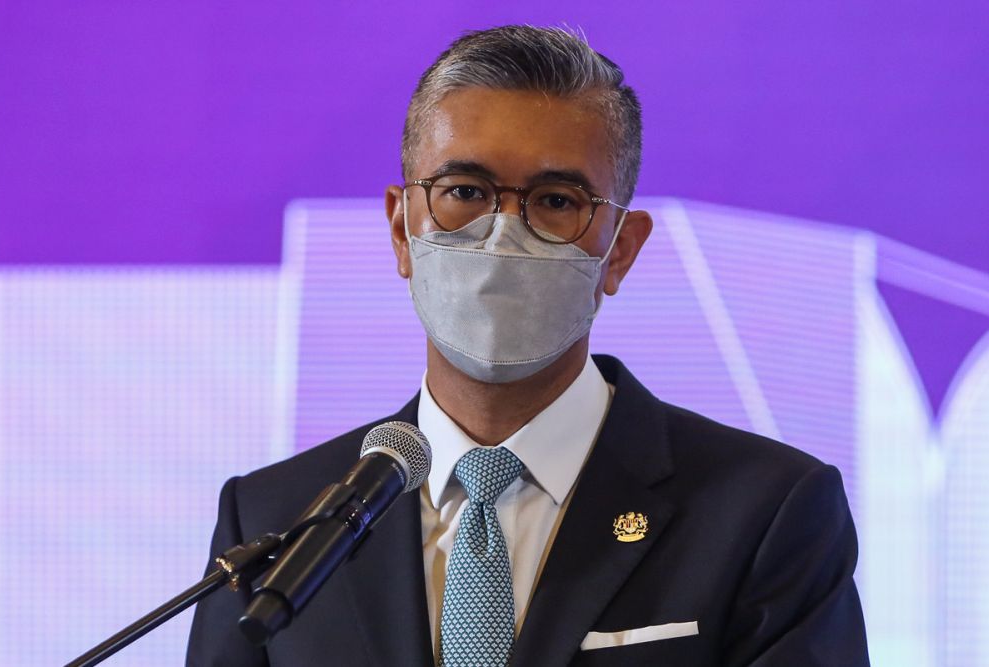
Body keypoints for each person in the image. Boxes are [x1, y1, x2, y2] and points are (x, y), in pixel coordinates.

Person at [187, 25, 869, 666]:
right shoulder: (276, 520)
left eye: (555, 201)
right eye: (464, 191)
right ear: (401, 229)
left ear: (620, 253)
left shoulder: (766, 512)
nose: (501, 233)